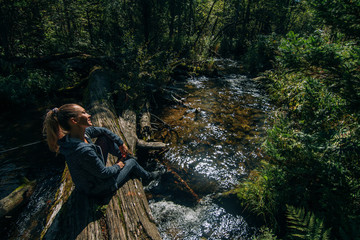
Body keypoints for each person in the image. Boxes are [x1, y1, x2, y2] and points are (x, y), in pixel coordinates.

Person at [43, 103, 159, 197]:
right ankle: (148, 177)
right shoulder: (82, 150)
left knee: (104, 139)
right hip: (97, 188)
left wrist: (121, 143)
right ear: (74, 121)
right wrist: (119, 165)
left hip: (92, 177)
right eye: (83, 113)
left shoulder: (78, 135)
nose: (89, 115)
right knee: (132, 163)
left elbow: (103, 131)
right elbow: (103, 173)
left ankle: (126, 157)